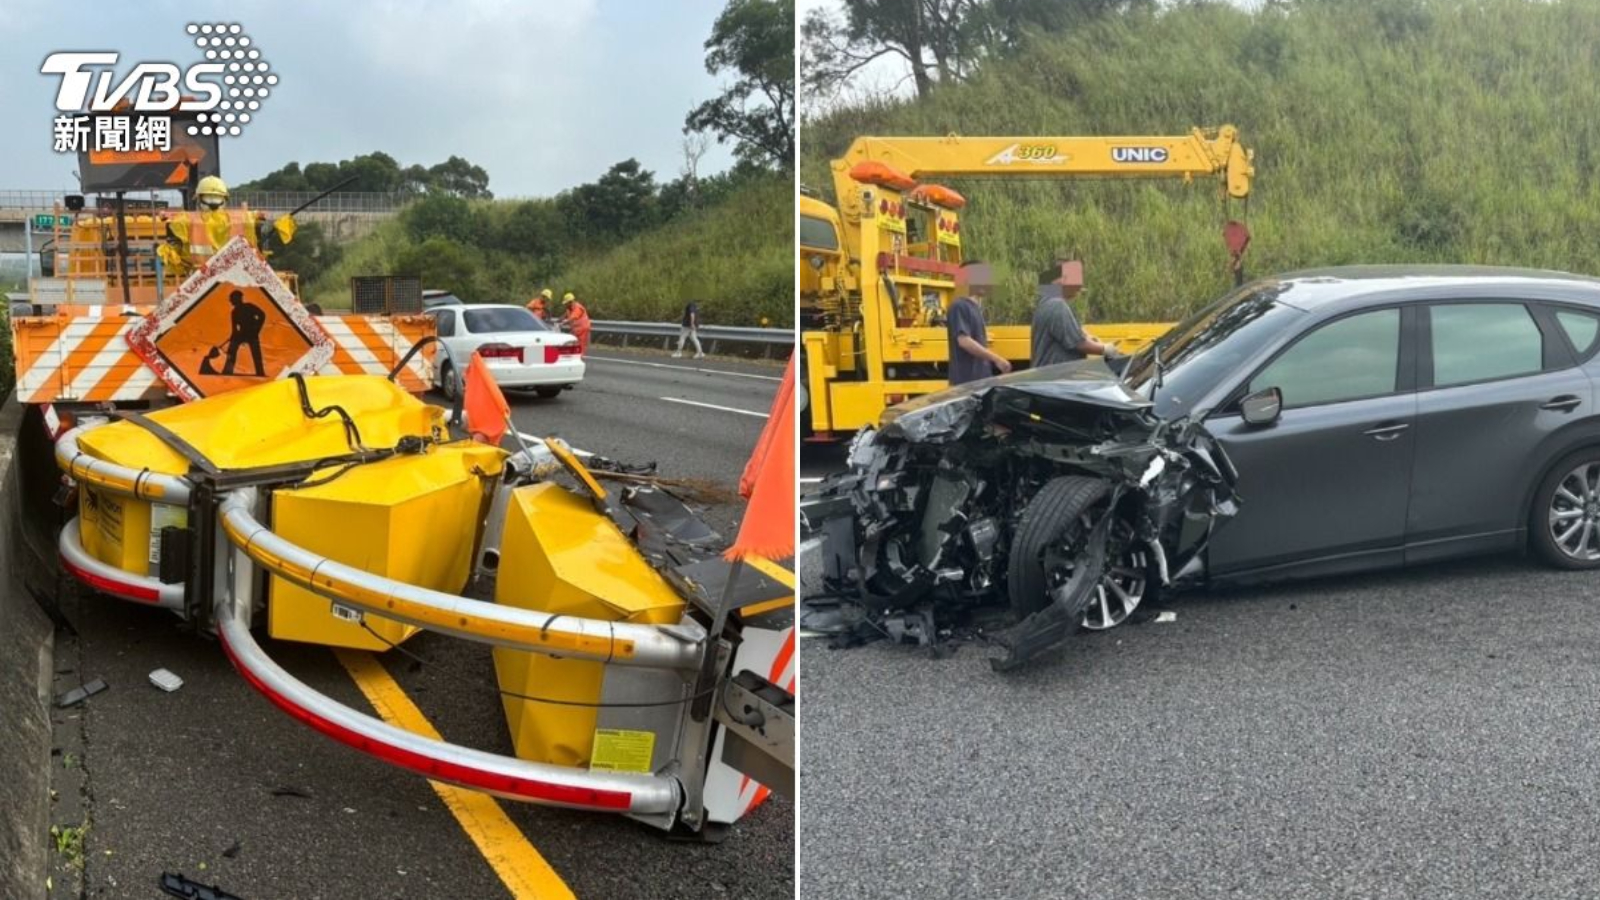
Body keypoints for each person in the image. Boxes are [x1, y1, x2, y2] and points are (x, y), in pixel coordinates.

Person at [156, 176, 289, 280]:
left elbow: (175, 259)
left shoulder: (184, 221)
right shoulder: (246, 218)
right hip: (241, 277)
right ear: (224, 199)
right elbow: (264, 226)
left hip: (199, 280)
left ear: (199, 198)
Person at [1030, 263, 1113, 368]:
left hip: (1048, 376)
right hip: (1056, 378)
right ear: (1062, 281)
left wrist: (1087, 336)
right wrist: (1106, 349)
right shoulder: (1057, 305)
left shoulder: (1046, 301)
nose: (1078, 291)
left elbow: (1070, 333)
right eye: (1076, 287)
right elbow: (1078, 343)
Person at [947, 261, 1011, 385]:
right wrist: (996, 359)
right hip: (965, 384)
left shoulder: (975, 308)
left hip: (978, 381)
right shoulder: (959, 306)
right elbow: (964, 341)